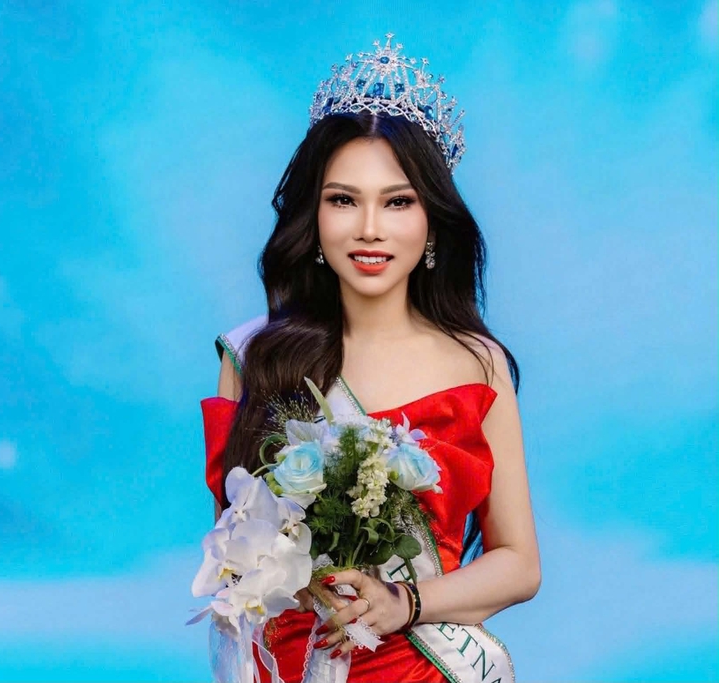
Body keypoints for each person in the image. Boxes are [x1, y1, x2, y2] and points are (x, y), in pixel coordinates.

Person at [201, 34, 540, 683]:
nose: (369, 228)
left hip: (423, 666)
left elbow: (519, 563)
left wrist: (402, 601)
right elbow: (232, 557)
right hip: (292, 664)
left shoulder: (479, 363)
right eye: (343, 199)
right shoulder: (255, 358)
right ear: (314, 215)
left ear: (432, 219)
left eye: (398, 201)